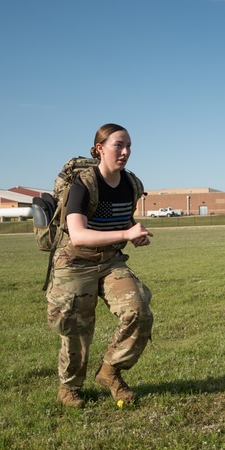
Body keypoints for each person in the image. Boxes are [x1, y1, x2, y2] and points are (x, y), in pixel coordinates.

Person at [46, 124, 153, 408]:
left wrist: (133, 231)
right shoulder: (83, 184)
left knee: (139, 310)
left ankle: (110, 372)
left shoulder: (131, 184)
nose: (125, 151)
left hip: (110, 260)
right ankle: (70, 387)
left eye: (129, 145)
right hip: (75, 262)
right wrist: (125, 234)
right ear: (99, 149)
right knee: (77, 329)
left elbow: (119, 217)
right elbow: (79, 235)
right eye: (118, 145)